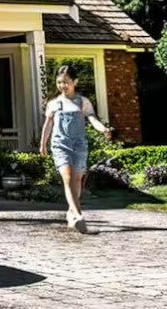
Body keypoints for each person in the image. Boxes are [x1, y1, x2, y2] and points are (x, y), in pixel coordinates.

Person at [39, 65, 112, 233]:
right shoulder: (54, 104)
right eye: (59, 82)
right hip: (60, 144)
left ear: (74, 82)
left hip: (79, 145)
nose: (62, 86)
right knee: (68, 177)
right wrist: (43, 144)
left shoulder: (82, 102)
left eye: (66, 82)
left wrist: (103, 129)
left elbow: (92, 118)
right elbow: (48, 124)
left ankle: (71, 212)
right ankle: (79, 215)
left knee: (77, 180)